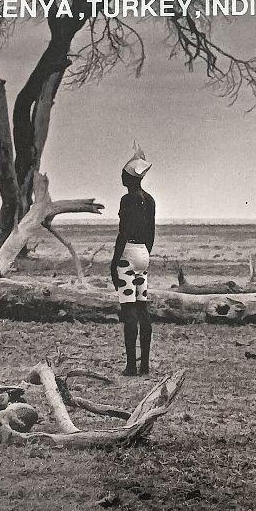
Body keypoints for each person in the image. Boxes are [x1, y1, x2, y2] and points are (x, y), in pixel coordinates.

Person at [110, 148, 156, 376]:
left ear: (130, 177)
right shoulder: (149, 200)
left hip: (128, 254)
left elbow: (123, 232)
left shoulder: (127, 199)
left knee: (128, 310)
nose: (121, 176)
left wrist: (115, 262)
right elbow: (151, 232)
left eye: (123, 173)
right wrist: (145, 253)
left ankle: (131, 366)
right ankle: (144, 364)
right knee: (142, 307)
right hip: (143, 254)